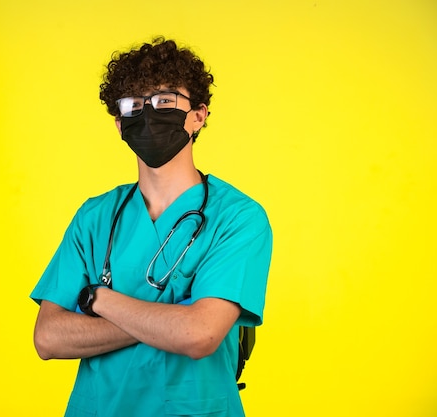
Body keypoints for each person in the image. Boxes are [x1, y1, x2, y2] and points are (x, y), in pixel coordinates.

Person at [30, 37, 272, 417]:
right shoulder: (95, 217)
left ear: (198, 116)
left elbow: (199, 335)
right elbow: (48, 338)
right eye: (134, 105)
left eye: (164, 100)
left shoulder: (238, 218)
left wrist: (99, 301)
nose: (148, 113)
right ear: (119, 123)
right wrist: (170, 317)